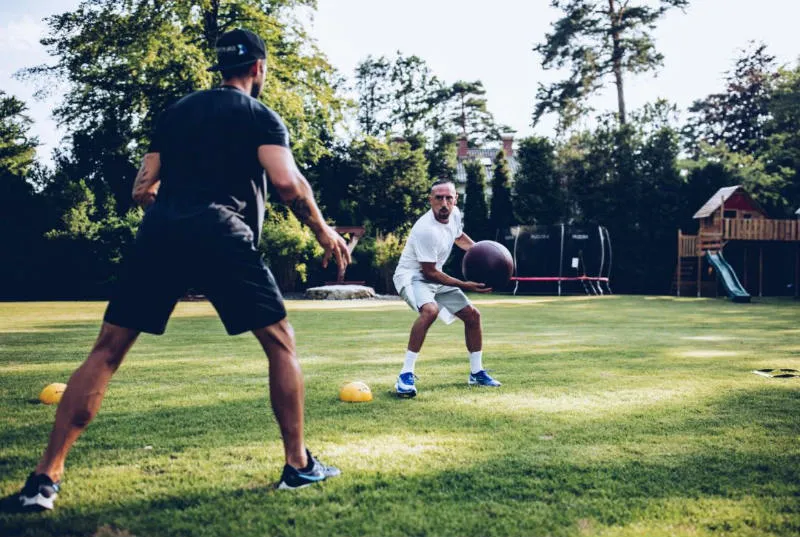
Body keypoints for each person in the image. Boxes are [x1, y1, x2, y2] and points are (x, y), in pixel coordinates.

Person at [12, 28, 350, 511]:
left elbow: (142, 189)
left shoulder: (176, 113)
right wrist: (323, 231)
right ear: (259, 68)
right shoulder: (261, 117)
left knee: (107, 351)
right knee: (280, 344)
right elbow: (287, 184)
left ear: (221, 66)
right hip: (223, 230)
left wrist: (174, 218)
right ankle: (298, 466)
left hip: (162, 232)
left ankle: (44, 479)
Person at [392, 179, 501, 398]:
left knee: (472, 315)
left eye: (449, 198)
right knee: (430, 311)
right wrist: (465, 285)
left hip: (435, 276)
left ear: (455, 199)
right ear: (430, 200)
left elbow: (459, 237)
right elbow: (429, 272)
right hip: (413, 277)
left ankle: (476, 372)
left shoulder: (455, 215)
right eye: (439, 198)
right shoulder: (425, 230)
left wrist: (486, 254)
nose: (444, 203)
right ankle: (405, 375)